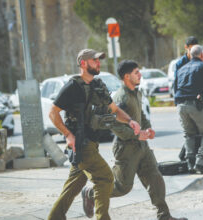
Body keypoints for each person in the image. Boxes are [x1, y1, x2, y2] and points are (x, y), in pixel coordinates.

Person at [81, 60, 187, 220]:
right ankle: (91, 192)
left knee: (155, 178)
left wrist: (148, 128)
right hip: (126, 148)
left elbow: (141, 115)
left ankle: (164, 215)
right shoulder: (120, 97)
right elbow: (114, 125)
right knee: (122, 187)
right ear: (126, 76)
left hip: (142, 146)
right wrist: (136, 135)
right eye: (136, 72)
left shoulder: (136, 92)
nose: (140, 75)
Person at [48, 49, 140, 220]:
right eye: (94, 60)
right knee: (105, 178)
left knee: (75, 184)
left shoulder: (97, 85)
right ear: (83, 63)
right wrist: (68, 135)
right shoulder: (73, 87)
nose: (99, 63)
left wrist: (129, 121)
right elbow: (53, 112)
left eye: (99, 60)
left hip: (92, 144)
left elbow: (114, 109)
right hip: (82, 144)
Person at [175, 45, 203, 174]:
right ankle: (200, 163)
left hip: (180, 105)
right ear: (202, 55)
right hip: (196, 104)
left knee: (189, 134)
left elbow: (175, 89)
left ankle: (190, 164)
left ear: (190, 55)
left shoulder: (181, 68)